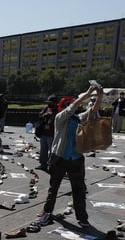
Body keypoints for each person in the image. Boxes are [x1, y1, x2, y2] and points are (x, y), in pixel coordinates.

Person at [36, 84, 104, 228]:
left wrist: (100, 96)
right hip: (59, 157)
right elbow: (71, 108)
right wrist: (86, 94)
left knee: (79, 189)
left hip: (76, 159)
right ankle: (47, 211)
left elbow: (93, 110)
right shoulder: (59, 119)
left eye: (70, 105)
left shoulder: (79, 119)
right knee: (53, 187)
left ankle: (82, 218)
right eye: (67, 105)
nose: (71, 108)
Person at [36, 95, 58, 171]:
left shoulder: (58, 110)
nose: (49, 104)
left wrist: (52, 116)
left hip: (52, 133)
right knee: (43, 150)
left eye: (50, 102)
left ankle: (51, 165)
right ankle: (43, 165)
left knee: (52, 151)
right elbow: (40, 115)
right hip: (44, 132)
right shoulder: (46, 108)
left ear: (55, 103)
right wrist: (44, 115)